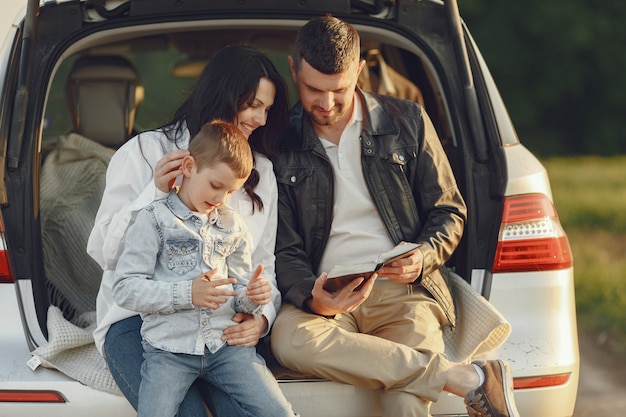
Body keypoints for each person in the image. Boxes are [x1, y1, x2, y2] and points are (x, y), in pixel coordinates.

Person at [270, 15, 520, 417]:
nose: (326, 103)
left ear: (358, 71)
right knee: (288, 341)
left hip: (406, 296)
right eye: (313, 89)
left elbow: (449, 211)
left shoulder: (408, 121)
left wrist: (422, 257)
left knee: (405, 400)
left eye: (339, 89)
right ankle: (467, 379)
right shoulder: (277, 141)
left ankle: (450, 376)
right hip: (325, 295)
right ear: (293, 68)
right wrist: (309, 295)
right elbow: (282, 245)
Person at [87, 45, 290, 416]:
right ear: (223, 96)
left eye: (267, 109)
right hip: (138, 323)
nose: (260, 118)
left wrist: (262, 320)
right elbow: (103, 253)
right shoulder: (145, 152)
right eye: (252, 104)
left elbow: (263, 265)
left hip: (222, 329)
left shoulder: (261, 172)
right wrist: (156, 191)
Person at [112, 120, 295, 417]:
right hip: (169, 351)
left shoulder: (232, 224)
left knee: (279, 412)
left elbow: (238, 295)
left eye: (230, 191)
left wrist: (253, 297)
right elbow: (125, 288)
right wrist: (188, 293)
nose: (221, 199)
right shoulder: (154, 220)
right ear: (188, 167)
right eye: (215, 186)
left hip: (225, 348)